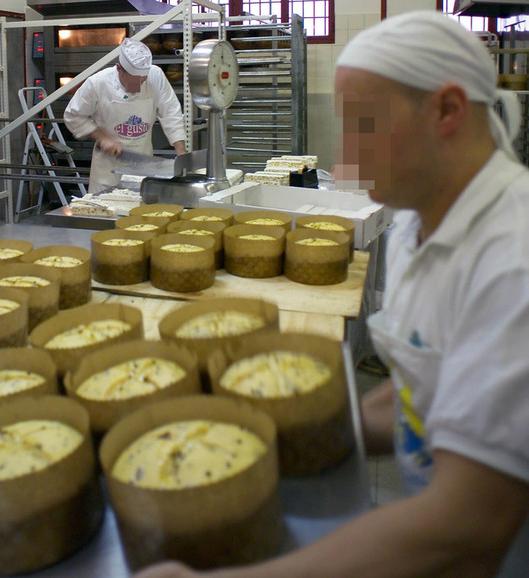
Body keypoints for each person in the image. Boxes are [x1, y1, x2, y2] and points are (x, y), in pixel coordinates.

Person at [134, 11, 529, 578]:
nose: (348, 151)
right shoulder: (425, 225)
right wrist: (260, 433)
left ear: (447, 110)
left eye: (365, 124)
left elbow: (466, 527)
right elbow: (421, 394)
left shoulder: (511, 259)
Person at [64, 37, 187, 194]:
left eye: (142, 81)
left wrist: (181, 152)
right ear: (118, 69)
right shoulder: (97, 83)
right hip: (108, 171)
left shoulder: (156, 76)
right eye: (132, 83)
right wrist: (103, 138)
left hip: (143, 167)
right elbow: (73, 115)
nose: (137, 88)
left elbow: (171, 112)